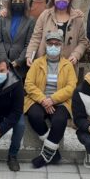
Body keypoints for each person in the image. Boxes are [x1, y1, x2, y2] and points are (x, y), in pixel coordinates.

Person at [24, 31, 77, 168]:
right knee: (34, 115)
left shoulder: (68, 65)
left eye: (57, 44)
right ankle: (54, 152)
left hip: (60, 101)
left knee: (60, 120)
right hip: (38, 100)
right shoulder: (37, 63)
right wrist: (43, 99)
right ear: (46, 45)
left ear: (61, 46)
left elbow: (71, 87)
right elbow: (28, 84)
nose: (53, 46)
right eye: (50, 43)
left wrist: (52, 99)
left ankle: (45, 156)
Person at [26, 0, 89, 72]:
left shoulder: (77, 18)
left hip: (68, 65)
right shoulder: (45, 15)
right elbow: (36, 38)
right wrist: (30, 55)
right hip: (44, 65)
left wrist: (76, 55)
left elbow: (83, 41)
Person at [0, 0, 35, 79]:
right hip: (2, 62)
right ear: (10, 2)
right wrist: (4, 59)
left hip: (20, 65)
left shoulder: (30, 21)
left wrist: (19, 61)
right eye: (15, 1)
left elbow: (28, 44)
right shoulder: (1, 18)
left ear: (25, 2)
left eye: (20, 1)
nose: (18, 3)